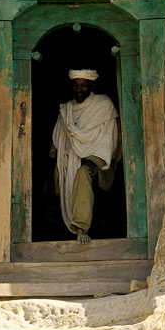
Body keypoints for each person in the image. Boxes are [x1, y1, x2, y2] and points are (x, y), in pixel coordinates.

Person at [51, 68, 121, 243]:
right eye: (76, 85)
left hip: (99, 165)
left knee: (82, 173)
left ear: (91, 85)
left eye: (83, 85)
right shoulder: (66, 110)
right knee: (58, 176)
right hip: (69, 160)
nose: (78, 89)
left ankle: (81, 227)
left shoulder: (103, 106)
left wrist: (93, 159)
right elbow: (58, 140)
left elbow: (110, 137)